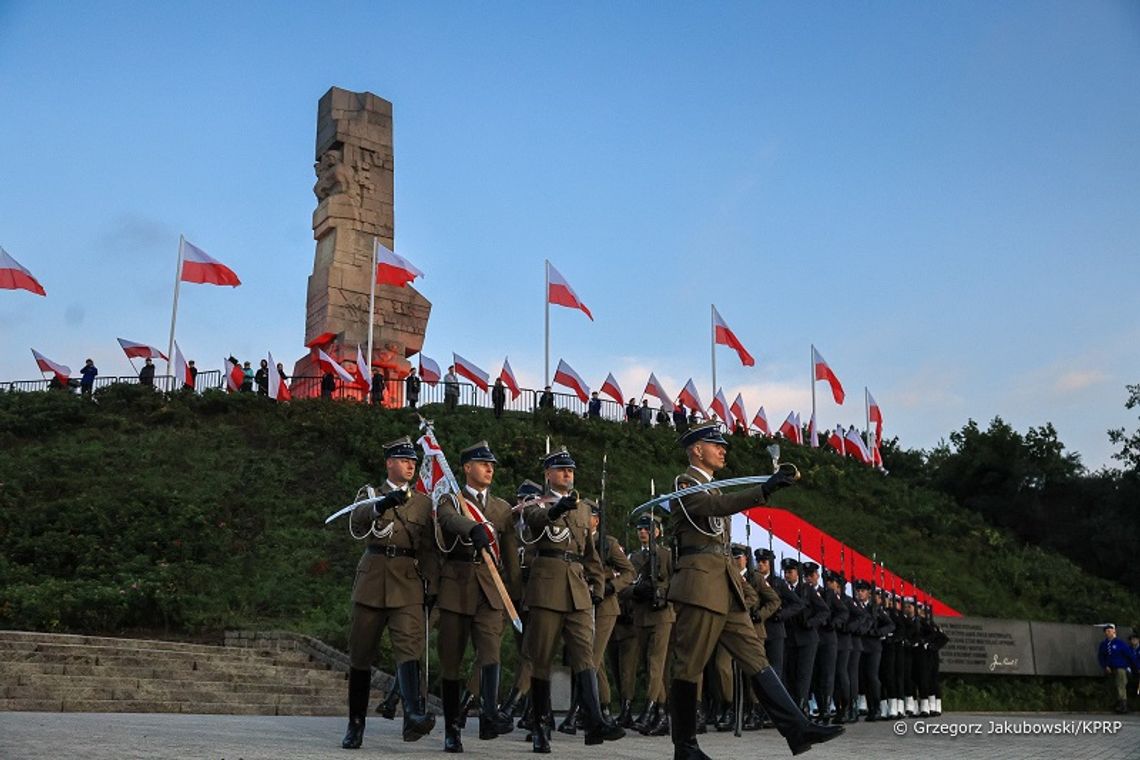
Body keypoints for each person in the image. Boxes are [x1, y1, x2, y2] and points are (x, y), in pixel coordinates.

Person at [666, 422, 842, 758]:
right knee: (688, 665)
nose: (723, 450)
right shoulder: (685, 484)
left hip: (725, 586)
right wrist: (764, 490)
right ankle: (685, 746)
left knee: (756, 658)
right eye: (714, 445)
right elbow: (713, 509)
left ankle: (798, 728)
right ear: (696, 450)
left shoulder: (714, 488)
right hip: (700, 584)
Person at [520, 447, 624, 751]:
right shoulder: (533, 501)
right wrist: (556, 508)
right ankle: (540, 725)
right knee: (541, 659)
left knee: (585, 656)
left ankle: (594, 722)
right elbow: (535, 522)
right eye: (561, 469)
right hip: (547, 586)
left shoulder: (582, 509)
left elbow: (589, 552)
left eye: (571, 470)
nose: (568, 474)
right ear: (548, 474)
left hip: (577, 589)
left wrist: (597, 585)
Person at [341, 437, 439, 749]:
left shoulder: (423, 503)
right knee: (361, 654)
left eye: (414, 460)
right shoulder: (369, 494)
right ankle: (355, 724)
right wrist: (379, 506)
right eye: (404, 459)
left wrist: (432, 586)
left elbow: (429, 550)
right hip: (372, 580)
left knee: (409, 649)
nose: (411, 464)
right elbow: (356, 526)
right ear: (389, 463)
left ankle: (412, 715)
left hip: (408, 583)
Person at [433, 441, 520, 751]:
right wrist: (472, 528)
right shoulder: (451, 500)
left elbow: (510, 557)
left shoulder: (502, 508)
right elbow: (446, 520)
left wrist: (517, 595)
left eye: (492, 464)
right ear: (467, 468)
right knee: (452, 663)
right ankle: (452, 728)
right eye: (483, 463)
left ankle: (489, 714)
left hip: (490, 589)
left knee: (490, 653)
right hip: (456, 585)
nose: (490, 468)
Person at [559, 500, 635, 735]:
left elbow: (630, 571)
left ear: (596, 520)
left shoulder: (608, 543)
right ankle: (600, 708)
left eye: (589, 515)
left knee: (590, 658)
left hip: (604, 606)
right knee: (588, 660)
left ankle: (579, 714)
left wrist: (611, 586)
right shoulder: (572, 537)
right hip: (579, 602)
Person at [628, 514, 674, 737]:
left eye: (647, 528)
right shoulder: (633, 557)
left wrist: (663, 593)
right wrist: (635, 590)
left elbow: (677, 582)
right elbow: (625, 583)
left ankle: (648, 709)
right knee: (648, 666)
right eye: (640, 528)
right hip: (641, 615)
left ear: (657, 531)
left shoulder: (666, 554)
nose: (642, 532)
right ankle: (662, 715)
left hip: (662, 615)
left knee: (656, 664)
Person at [1097, 623, 1137, 714]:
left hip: (1120, 667)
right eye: (1106, 631)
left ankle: (1123, 705)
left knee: (1121, 685)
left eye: (1109, 631)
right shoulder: (1104, 644)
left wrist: (1136, 667)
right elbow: (1101, 656)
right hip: (1110, 668)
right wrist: (1105, 665)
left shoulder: (1120, 643)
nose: (1108, 633)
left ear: (1114, 631)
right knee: (1113, 686)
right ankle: (1117, 703)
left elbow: (1130, 656)